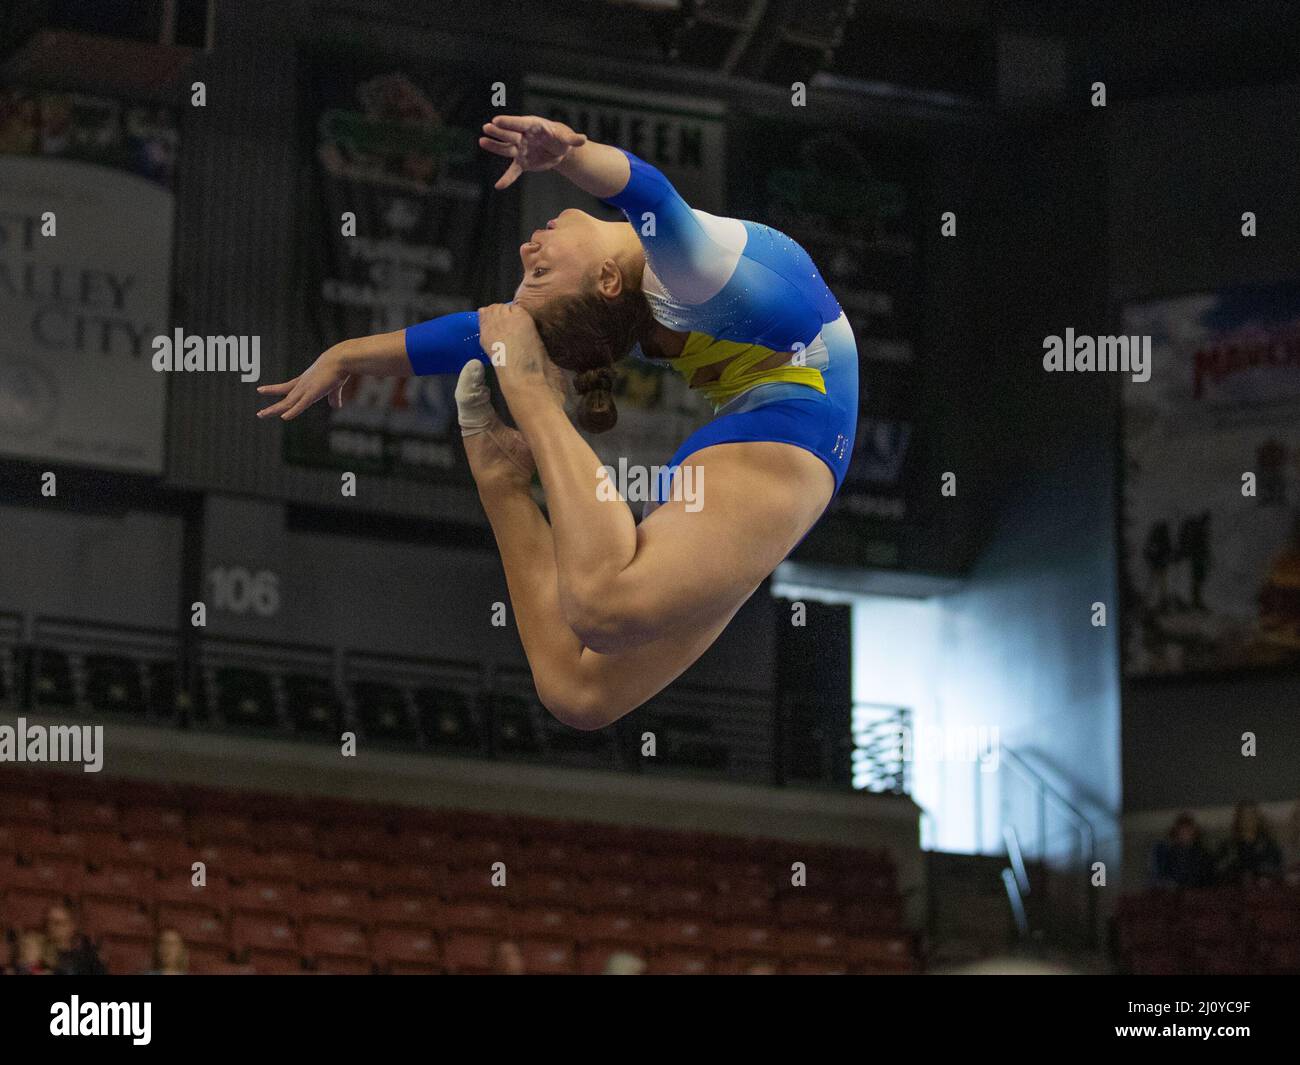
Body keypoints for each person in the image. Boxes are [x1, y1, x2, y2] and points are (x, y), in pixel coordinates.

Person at [258, 115, 858, 730]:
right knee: (590, 643)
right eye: (537, 274)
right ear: (604, 279)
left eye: (531, 273)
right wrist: (572, 156)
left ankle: (503, 477)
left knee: (579, 687)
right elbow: (647, 193)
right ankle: (533, 410)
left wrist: (348, 352)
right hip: (786, 438)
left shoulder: (655, 283)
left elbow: (483, 331)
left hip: (758, 448)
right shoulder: (692, 276)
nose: (526, 251)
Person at [1216, 801, 1283, 885]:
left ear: (1258, 819)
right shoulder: (1229, 846)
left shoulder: (1269, 845)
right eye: (1244, 816)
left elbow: (1277, 869)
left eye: (1252, 815)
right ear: (1238, 819)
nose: (1249, 819)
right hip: (1236, 892)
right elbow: (1220, 871)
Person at [1150, 812, 1215, 889]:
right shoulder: (1168, 853)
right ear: (1176, 832)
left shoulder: (1204, 853)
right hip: (1174, 892)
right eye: (1182, 830)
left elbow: (1208, 877)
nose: (1184, 833)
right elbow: (1163, 875)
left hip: (1197, 891)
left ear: (1194, 832)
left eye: (1188, 830)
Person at [44, 904, 106, 975]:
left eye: (58, 923)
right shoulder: (38, 952)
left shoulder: (87, 957)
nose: (52, 927)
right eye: (49, 921)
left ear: (72, 926)